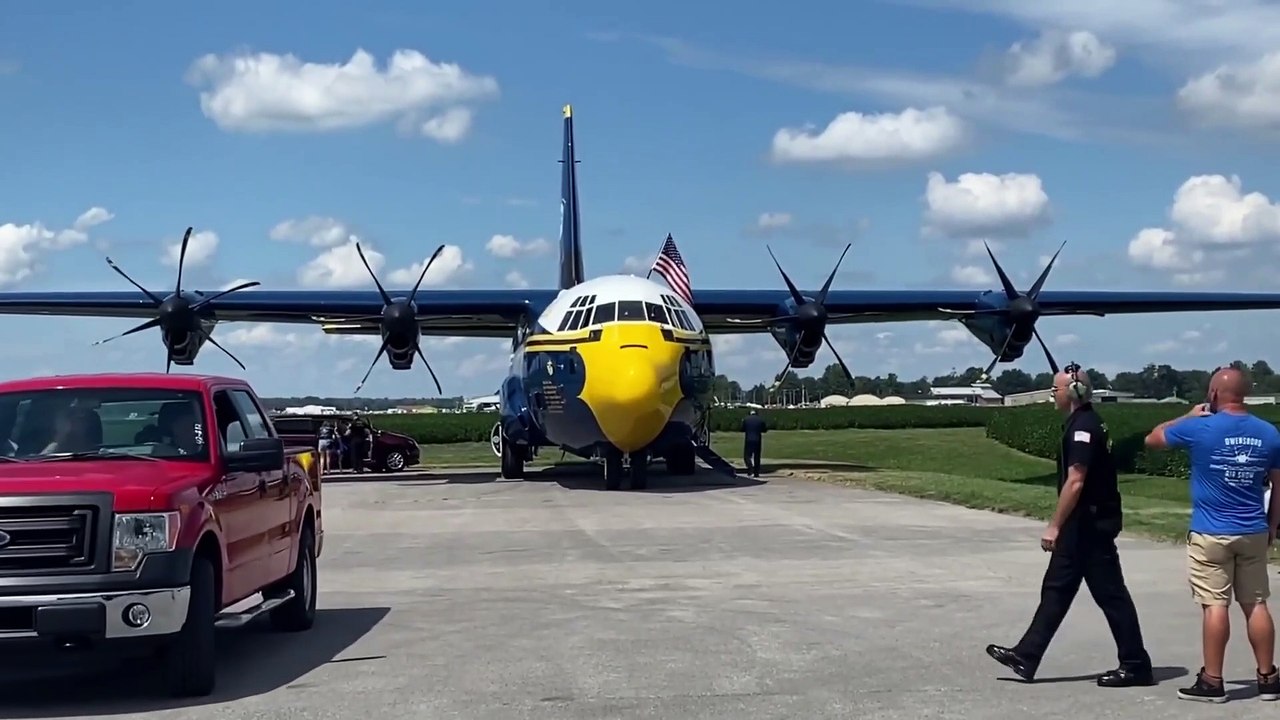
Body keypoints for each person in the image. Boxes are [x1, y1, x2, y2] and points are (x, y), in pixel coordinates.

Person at [986, 363, 1154, 687]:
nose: (1052, 393)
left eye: (1056, 388)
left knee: (1110, 595)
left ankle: (1135, 664)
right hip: (1084, 523)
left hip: (1089, 525)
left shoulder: (1083, 428)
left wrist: (1053, 526)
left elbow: (1075, 482)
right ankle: (1027, 655)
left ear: (1074, 392)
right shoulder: (1082, 422)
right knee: (1057, 590)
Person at [1144, 366, 1280, 703]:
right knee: (1256, 603)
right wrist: (1273, 525)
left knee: (1215, 606)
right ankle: (1268, 678)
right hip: (1252, 530)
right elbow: (1279, 485)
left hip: (1210, 531)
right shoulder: (1269, 433)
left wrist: (1184, 415)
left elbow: (1153, 439)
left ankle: (1212, 680)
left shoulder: (1198, 426)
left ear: (1214, 394)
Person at [741, 409, 767, 477]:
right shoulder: (760, 420)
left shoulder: (746, 419)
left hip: (748, 439)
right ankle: (756, 473)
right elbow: (764, 429)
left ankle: (750, 468)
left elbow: (742, 429)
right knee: (757, 457)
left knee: (747, 456)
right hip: (757, 439)